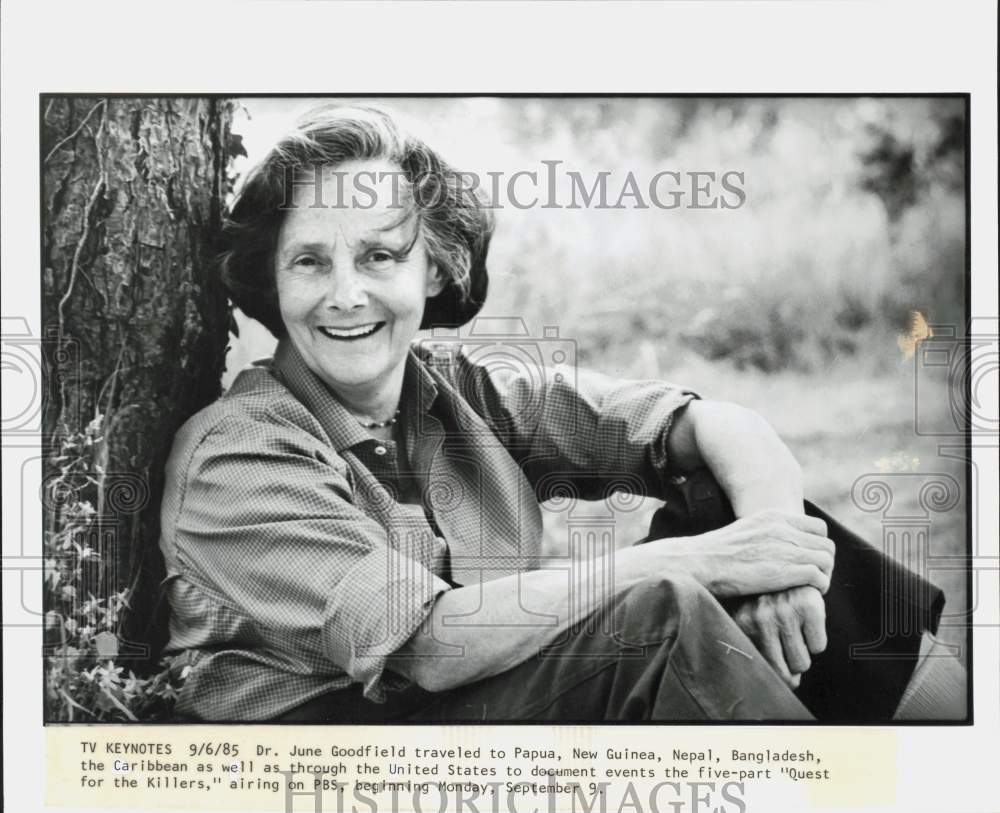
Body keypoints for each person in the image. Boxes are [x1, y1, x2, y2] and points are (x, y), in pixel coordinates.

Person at [158, 104, 964, 723]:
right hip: (340, 759)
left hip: (471, 717)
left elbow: (718, 425)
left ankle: (949, 749)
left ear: (437, 267)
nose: (345, 294)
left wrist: (773, 558)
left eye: (379, 254)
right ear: (272, 281)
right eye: (310, 260)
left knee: (724, 504)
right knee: (660, 614)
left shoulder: (460, 394)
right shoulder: (237, 457)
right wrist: (703, 563)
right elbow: (434, 644)